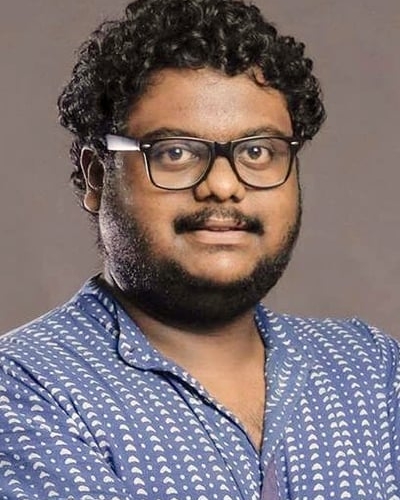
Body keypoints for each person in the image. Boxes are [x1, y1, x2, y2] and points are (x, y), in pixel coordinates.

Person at [0, 0, 399, 498]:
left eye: (257, 151)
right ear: (97, 176)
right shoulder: (25, 386)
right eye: (175, 153)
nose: (224, 186)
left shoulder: (369, 368)